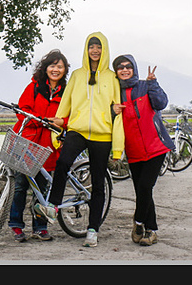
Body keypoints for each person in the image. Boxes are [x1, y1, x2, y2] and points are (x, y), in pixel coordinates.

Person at [46, 31, 123, 248]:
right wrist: (58, 125)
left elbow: (118, 111)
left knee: (98, 183)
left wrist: (118, 148)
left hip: (102, 134)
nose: (95, 50)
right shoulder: (77, 75)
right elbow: (66, 103)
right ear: (86, 49)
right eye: (91, 46)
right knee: (63, 162)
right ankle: (53, 205)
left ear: (104, 49)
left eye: (98, 46)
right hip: (77, 130)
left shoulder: (112, 78)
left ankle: (93, 229)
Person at [7, 49, 68, 242]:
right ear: (45, 68)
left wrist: (60, 122)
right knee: (20, 187)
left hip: (49, 147)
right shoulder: (34, 87)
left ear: (65, 70)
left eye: (60, 66)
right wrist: (39, 120)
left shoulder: (67, 92)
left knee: (42, 189)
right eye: (52, 66)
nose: (55, 70)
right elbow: (22, 110)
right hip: (27, 143)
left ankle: (40, 227)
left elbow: (71, 116)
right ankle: (16, 225)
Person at [111, 54, 172, 247]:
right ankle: (150, 231)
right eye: (120, 67)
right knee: (142, 191)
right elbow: (109, 118)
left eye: (128, 66)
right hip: (133, 150)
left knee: (145, 187)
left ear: (134, 68)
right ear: (116, 71)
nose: (124, 70)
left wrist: (153, 84)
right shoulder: (115, 93)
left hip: (156, 146)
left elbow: (161, 103)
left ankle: (139, 223)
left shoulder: (145, 86)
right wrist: (112, 110)